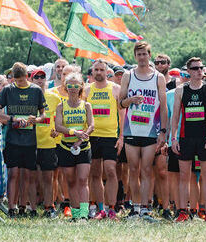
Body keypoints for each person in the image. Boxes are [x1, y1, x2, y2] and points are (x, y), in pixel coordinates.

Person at [118, 42, 169, 220]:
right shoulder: (128, 75)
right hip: (131, 129)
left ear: (149, 55)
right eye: (138, 54)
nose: (141, 57)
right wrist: (130, 99)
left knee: (147, 169)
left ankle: (146, 208)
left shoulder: (158, 77)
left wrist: (163, 131)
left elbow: (163, 107)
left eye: (144, 54)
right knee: (133, 169)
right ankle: (135, 207)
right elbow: (120, 103)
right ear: (135, 56)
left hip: (150, 131)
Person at [0, 62, 47, 217]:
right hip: (12, 139)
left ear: (27, 77)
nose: (19, 83)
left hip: (30, 140)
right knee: (13, 173)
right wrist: (11, 118)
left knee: (28, 175)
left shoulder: (36, 90)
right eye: (16, 81)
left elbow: (44, 115)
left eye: (21, 80)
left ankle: (26, 206)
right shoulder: (8, 90)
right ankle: (12, 207)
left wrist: (35, 119)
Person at [169, 57, 206, 222]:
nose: (200, 70)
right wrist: (174, 138)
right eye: (196, 68)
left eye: (201, 67)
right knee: (184, 175)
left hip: (205, 138)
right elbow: (175, 115)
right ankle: (183, 211)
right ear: (189, 71)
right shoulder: (181, 90)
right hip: (185, 138)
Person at [52, 73, 94, 220]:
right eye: (70, 86)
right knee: (71, 181)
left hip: (83, 147)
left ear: (81, 87)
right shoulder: (61, 106)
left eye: (76, 86)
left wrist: (82, 136)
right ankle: (75, 214)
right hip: (66, 147)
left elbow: (91, 125)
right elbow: (58, 126)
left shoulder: (86, 105)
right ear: (66, 87)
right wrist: (73, 132)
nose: (73, 88)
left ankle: (84, 214)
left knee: (83, 180)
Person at [84, 61, 122, 220]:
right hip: (92, 135)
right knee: (94, 172)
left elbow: (122, 114)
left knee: (111, 171)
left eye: (102, 69)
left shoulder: (115, 88)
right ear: (92, 72)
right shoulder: (86, 90)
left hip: (110, 135)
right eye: (96, 70)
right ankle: (99, 208)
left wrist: (121, 137)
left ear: (107, 72)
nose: (99, 72)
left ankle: (111, 207)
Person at [30, 67, 63, 218]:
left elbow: (60, 118)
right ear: (31, 80)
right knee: (32, 178)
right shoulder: (27, 96)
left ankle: (49, 207)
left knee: (49, 178)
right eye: (36, 77)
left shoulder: (54, 97)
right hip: (31, 142)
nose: (40, 80)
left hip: (49, 143)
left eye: (42, 77)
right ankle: (32, 209)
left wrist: (58, 130)